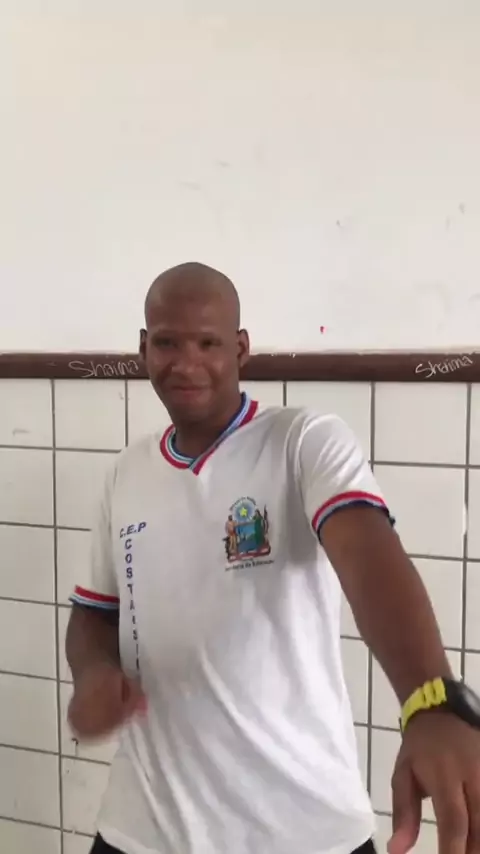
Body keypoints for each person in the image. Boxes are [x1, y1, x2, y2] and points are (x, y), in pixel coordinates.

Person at [67, 262, 480, 854]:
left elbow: (369, 556)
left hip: (303, 830)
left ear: (240, 348)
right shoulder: (125, 474)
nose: (186, 363)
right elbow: (95, 613)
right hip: (142, 830)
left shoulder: (303, 442)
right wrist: (93, 674)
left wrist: (430, 699)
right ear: (143, 348)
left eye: (208, 343)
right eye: (167, 343)